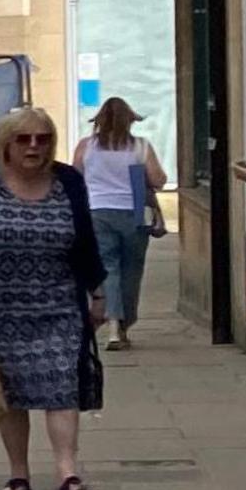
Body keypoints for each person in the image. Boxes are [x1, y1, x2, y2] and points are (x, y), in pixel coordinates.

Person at [0, 106, 110, 490]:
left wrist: (98, 291)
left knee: (62, 388)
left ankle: (67, 475)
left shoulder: (67, 181)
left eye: (43, 139)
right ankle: (18, 475)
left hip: (58, 302)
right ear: (5, 143)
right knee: (11, 392)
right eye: (24, 139)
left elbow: (85, 238)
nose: (35, 147)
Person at [72, 99, 169, 348]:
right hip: (134, 214)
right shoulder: (140, 148)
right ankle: (125, 323)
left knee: (108, 269)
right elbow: (158, 180)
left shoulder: (86, 147)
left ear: (99, 120)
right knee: (131, 271)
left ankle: (114, 325)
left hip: (97, 212)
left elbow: (75, 179)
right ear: (130, 121)